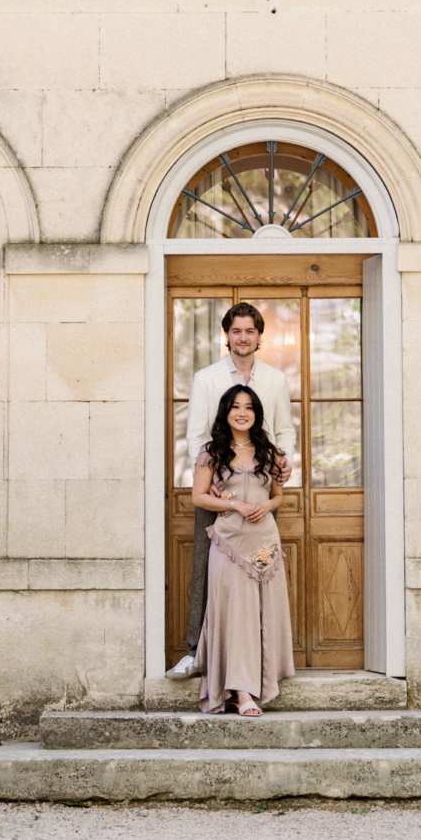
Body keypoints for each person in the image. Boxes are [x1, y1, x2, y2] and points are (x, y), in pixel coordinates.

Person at [166, 302, 295, 680]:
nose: (243, 338)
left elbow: (283, 430)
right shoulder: (207, 378)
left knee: (259, 576)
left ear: (259, 336)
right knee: (206, 570)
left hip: (258, 489)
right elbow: (195, 435)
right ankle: (195, 653)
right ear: (227, 335)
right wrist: (217, 486)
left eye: (250, 331)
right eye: (236, 331)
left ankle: (258, 660)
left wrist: (283, 464)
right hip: (217, 491)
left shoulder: (274, 379)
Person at [191, 384, 295, 714]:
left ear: (256, 414)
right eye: (235, 406)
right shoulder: (211, 452)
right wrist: (235, 504)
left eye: (249, 407)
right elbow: (198, 496)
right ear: (225, 412)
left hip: (265, 542)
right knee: (236, 617)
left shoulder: (272, 453)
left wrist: (268, 505)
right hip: (228, 545)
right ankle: (241, 691)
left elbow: (278, 495)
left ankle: (262, 682)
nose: (242, 412)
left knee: (262, 612)